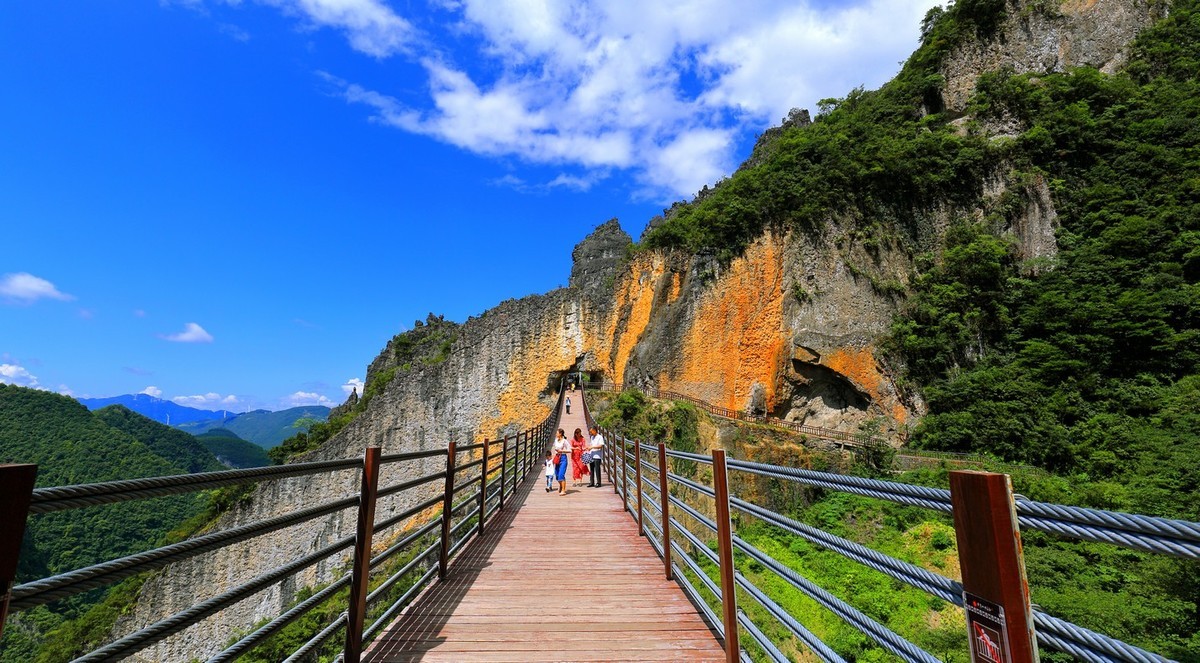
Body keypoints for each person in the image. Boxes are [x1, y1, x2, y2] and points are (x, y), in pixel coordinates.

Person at [552, 429, 571, 495]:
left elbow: (570, 450)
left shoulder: (564, 441)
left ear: (560, 434)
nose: (556, 434)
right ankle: (561, 485)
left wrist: (562, 451)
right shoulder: (556, 440)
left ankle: (563, 490)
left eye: (557, 433)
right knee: (557, 474)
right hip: (557, 457)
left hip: (563, 458)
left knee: (561, 474)